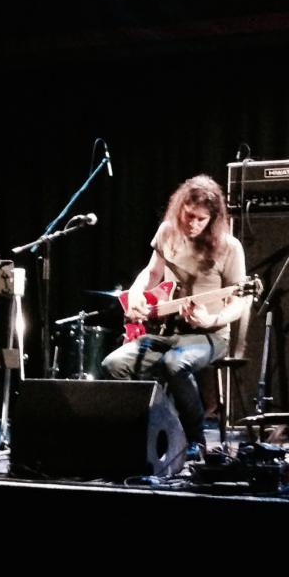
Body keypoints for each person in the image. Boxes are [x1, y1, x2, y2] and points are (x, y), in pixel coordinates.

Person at [102, 175, 249, 462]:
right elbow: (152, 272)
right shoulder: (168, 232)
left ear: (213, 219)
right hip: (166, 331)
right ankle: (145, 431)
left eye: (201, 219)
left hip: (210, 335)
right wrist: (136, 294)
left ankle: (195, 439)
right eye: (189, 216)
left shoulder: (230, 247)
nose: (193, 224)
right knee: (113, 365)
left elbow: (239, 302)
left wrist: (210, 319)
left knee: (175, 363)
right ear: (180, 208)